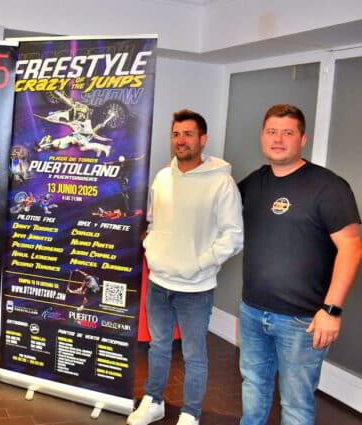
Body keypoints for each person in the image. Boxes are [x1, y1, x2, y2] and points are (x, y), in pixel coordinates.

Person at [238, 104, 361, 425]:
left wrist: (332, 310)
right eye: (272, 132)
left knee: (296, 402)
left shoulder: (328, 187)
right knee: (253, 385)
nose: (278, 139)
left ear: (302, 139)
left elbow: (352, 247)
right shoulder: (252, 184)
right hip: (252, 311)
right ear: (262, 136)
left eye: (288, 133)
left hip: (302, 320)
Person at [128, 110, 243, 425]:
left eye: (188, 134)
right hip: (159, 281)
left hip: (196, 287)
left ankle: (191, 413)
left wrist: (199, 264)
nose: (181, 140)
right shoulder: (163, 177)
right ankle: (154, 401)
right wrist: (152, 250)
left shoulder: (222, 183)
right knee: (158, 346)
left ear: (202, 139)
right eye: (176, 134)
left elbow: (233, 238)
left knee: (194, 355)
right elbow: (153, 222)